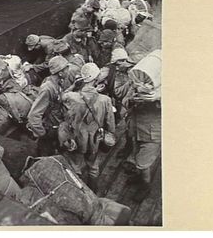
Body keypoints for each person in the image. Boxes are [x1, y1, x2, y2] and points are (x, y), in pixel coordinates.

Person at [60, 63, 116, 193]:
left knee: (75, 166)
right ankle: (93, 191)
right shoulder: (105, 100)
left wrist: (74, 85)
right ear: (96, 79)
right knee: (93, 167)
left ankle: (78, 191)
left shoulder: (71, 97)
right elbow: (110, 124)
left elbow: (61, 96)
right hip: (94, 139)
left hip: (76, 138)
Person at [121, 50, 161, 203]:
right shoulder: (136, 86)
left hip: (153, 133)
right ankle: (139, 177)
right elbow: (125, 101)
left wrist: (156, 99)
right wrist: (132, 99)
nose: (142, 84)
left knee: (144, 162)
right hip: (137, 129)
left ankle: (145, 186)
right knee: (137, 154)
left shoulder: (160, 92)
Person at [27, 56, 68, 157]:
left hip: (56, 126)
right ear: (60, 73)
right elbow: (33, 116)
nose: (69, 70)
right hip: (49, 130)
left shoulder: (58, 82)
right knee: (47, 156)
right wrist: (43, 134)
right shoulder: (48, 88)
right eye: (66, 68)